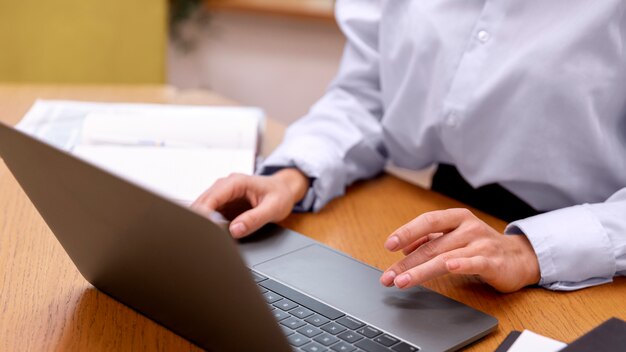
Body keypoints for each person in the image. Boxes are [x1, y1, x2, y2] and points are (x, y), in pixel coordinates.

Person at [192, 0, 626, 293]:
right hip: (446, 223)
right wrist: (292, 176)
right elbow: (369, 94)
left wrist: (529, 249)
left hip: (591, 258)